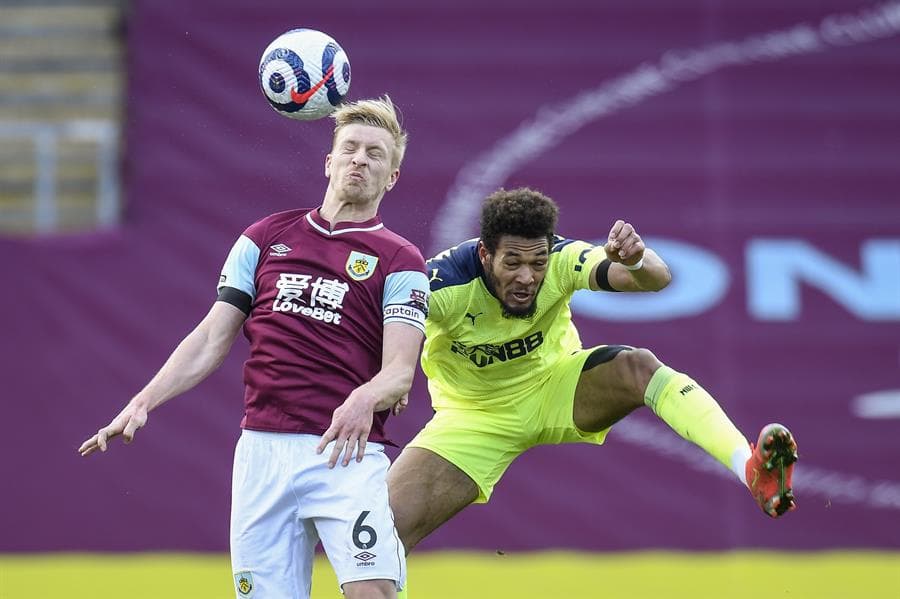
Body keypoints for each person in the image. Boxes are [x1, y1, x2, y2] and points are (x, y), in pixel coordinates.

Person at [79, 96, 428, 599]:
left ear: (391, 177)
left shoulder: (401, 260)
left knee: (372, 591)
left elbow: (399, 371)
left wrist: (364, 397)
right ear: (328, 161)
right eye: (350, 148)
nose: (359, 159)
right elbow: (210, 337)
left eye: (375, 154)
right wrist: (143, 401)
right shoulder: (265, 237)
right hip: (263, 453)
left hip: (346, 453)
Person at [387, 187, 798, 560]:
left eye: (537, 262)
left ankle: (750, 469)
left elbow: (656, 279)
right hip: (472, 420)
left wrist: (636, 259)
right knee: (377, 542)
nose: (527, 277)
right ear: (485, 254)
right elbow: (382, 328)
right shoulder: (442, 283)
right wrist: (393, 373)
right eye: (512, 262)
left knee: (638, 366)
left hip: (555, 387)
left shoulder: (563, 259)